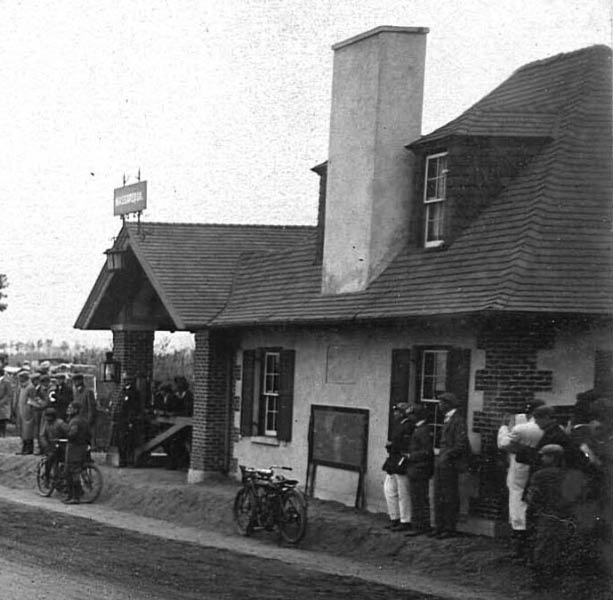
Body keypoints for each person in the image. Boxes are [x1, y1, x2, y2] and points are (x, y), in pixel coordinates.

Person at [524, 444, 578, 590]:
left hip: (546, 516)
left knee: (542, 548)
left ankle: (539, 582)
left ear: (552, 457)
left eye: (544, 456)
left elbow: (532, 497)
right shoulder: (569, 474)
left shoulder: (540, 475)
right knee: (560, 548)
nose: (542, 458)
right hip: (566, 517)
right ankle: (557, 582)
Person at [497, 399, 544, 558]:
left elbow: (503, 443)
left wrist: (504, 426)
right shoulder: (549, 428)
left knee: (517, 500)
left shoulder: (521, 428)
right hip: (538, 468)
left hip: (519, 467)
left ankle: (519, 544)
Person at [430, 392, 471, 539]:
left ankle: (448, 527)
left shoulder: (458, 421)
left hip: (450, 465)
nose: (439, 406)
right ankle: (439, 526)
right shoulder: (448, 419)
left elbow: (461, 444)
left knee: (449, 496)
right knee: (439, 495)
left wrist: (446, 455)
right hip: (442, 463)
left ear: (448, 404)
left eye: (442, 403)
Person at [404, 403, 434, 537]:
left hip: (420, 469)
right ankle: (419, 525)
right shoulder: (419, 429)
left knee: (419, 499)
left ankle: (421, 526)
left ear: (417, 416)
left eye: (411, 415)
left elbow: (427, 451)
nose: (409, 418)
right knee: (417, 498)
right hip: (417, 469)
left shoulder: (423, 430)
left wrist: (411, 456)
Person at [382, 402, 413, 531]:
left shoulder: (408, 426)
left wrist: (393, 445)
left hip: (402, 460)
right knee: (389, 489)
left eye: (398, 411)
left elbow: (406, 444)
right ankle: (394, 517)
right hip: (393, 460)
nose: (395, 414)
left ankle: (405, 521)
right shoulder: (398, 425)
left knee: (403, 492)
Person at [63, 401, 90, 504]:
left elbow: (72, 434)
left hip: (74, 448)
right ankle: (73, 496)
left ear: (76, 410)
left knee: (71, 472)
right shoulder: (84, 420)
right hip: (82, 447)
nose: (68, 409)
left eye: (71, 408)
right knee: (73, 471)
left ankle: (74, 497)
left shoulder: (75, 421)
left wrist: (67, 434)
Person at [112, 374, 140, 467]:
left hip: (127, 420)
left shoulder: (133, 392)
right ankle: (122, 460)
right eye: (124, 380)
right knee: (120, 441)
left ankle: (129, 461)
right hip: (120, 420)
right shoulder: (122, 391)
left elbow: (133, 407)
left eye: (127, 380)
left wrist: (130, 420)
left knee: (128, 442)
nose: (125, 382)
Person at [40, 407, 68, 483]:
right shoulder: (46, 424)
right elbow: (42, 436)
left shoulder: (60, 423)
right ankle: (47, 477)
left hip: (61, 445)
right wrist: (46, 446)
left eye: (50, 416)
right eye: (47, 416)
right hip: (50, 446)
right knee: (50, 458)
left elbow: (68, 432)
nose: (48, 418)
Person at [15, 370, 37, 455]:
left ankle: (29, 449)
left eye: (21, 377)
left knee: (28, 431)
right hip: (21, 410)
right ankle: (24, 448)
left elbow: (33, 400)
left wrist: (30, 410)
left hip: (28, 412)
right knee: (23, 430)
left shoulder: (30, 387)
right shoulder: (21, 387)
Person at [72, 374, 97, 442]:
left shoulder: (88, 392)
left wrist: (89, 421)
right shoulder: (76, 392)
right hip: (79, 420)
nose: (75, 383)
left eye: (76, 381)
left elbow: (91, 408)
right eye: (74, 381)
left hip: (86, 420)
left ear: (81, 381)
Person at [0, 367, 13, 437]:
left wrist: (1, 402)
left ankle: (2, 434)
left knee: (2, 420)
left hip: (3, 405)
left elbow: (8, 394)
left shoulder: (6, 382)